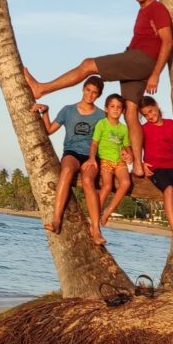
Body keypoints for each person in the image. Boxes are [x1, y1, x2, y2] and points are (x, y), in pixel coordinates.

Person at [25, 0, 172, 178]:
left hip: (140, 60)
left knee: (87, 65)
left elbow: (168, 41)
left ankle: (42, 88)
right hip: (138, 62)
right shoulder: (143, 11)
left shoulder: (157, 9)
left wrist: (156, 73)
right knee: (130, 111)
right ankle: (138, 166)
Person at [32, 75, 105, 234]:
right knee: (66, 171)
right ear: (83, 89)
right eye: (88, 90)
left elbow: (107, 140)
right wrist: (45, 112)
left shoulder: (102, 116)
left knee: (87, 181)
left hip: (91, 156)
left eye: (94, 92)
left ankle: (96, 229)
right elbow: (49, 130)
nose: (90, 94)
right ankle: (56, 220)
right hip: (71, 152)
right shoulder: (68, 110)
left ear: (98, 95)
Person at [140, 96, 173, 244]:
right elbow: (134, 147)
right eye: (145, 115)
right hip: (154, 167)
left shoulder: (170, 124)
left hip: (171, 165)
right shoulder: (144, 129)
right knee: (168, 190)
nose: (150, 116)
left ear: (156, 106)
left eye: (151, 111)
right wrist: (142, 164)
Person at [84, 93, 132, 244]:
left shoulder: (124, 129)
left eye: (119, 107)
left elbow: (126, 147)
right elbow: (94, 144)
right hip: (104, 160)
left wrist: (128, 155)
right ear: (106, 108)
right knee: (107, 186)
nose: (115, 110)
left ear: (123, 110)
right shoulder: (102, 124)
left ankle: (107, 212)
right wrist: (92, 158)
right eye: (112, 107)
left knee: (125, 183)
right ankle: (94, 221)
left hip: (118, 161)